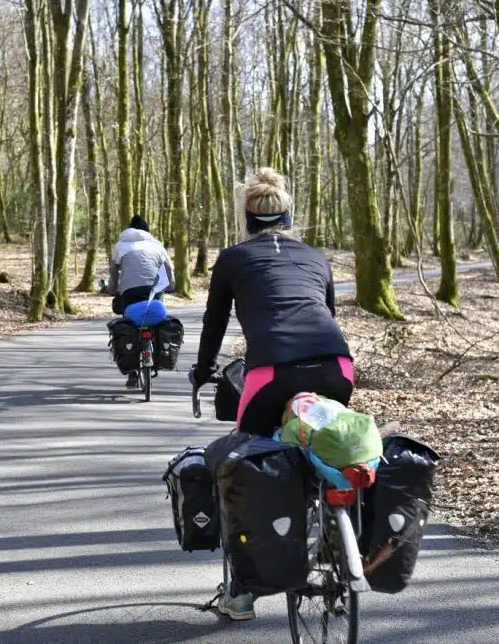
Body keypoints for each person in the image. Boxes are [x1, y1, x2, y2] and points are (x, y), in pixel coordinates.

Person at [189, 168, 354, 621]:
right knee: (325, 446)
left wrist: (202, 373)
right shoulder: (317, 257)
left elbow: (215, 323)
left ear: (247, 219)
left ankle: (241, 594)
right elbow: (327, 313)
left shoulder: (233, 259)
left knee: (250, 466)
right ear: (290, 214)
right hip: (336, 366)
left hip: (271, 373)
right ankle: (337, 541)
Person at [109, 215, 175, 387]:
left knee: (128, 321)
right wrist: (171, 286)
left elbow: (114, 274)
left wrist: (112, 290)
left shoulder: (120, 245)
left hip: (129, 291)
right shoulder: (157, 244)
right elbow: (169, 271)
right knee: (156, 316)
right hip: (154, 290)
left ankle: (132, 372)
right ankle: (156, 355)